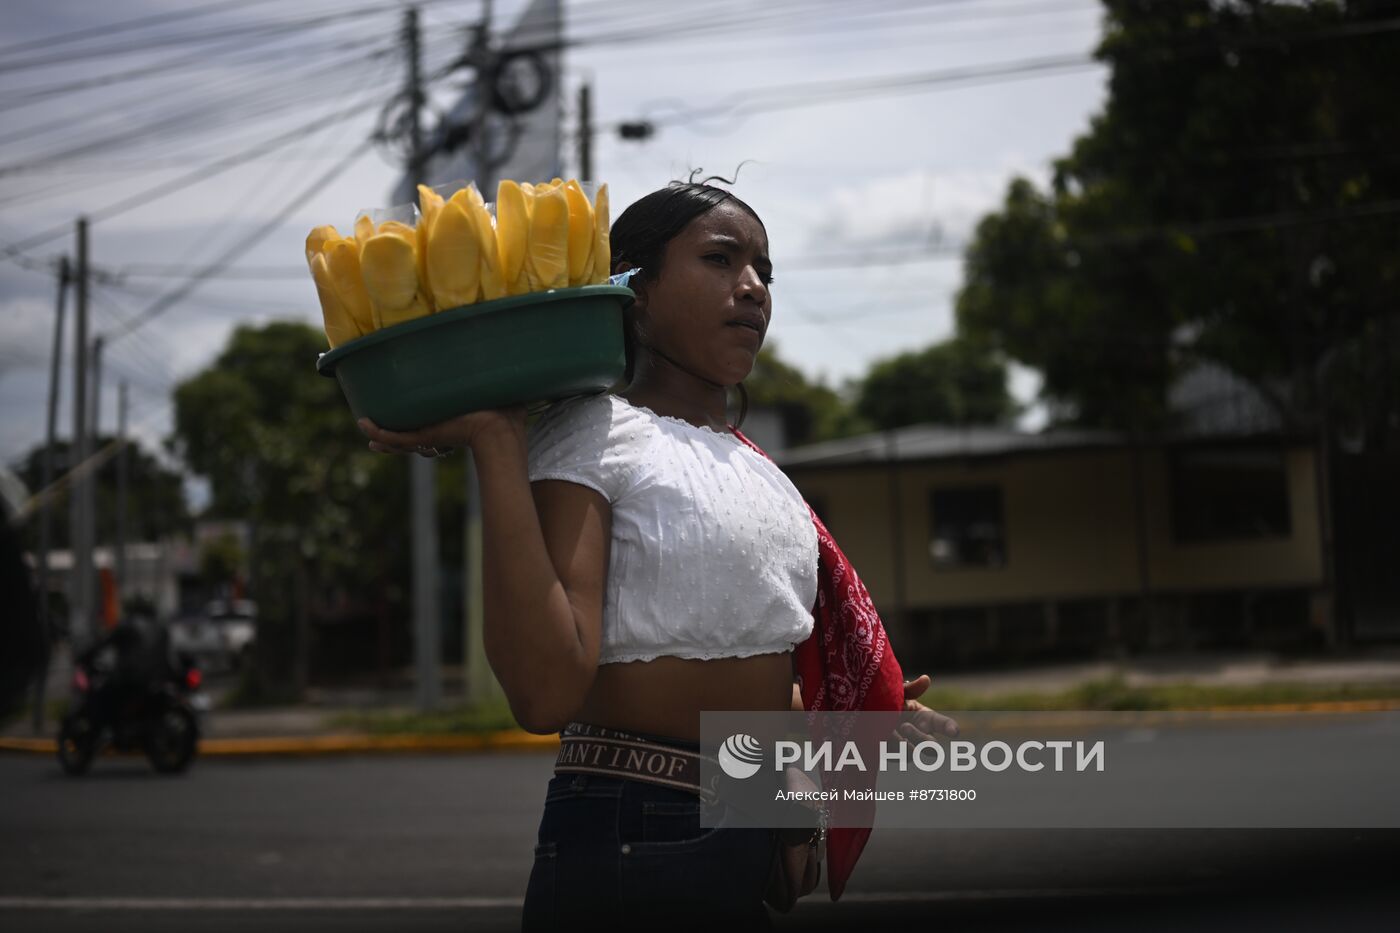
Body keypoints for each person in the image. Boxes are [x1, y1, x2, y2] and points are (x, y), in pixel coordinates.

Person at [358, 177, 957, 930]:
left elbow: (708, 658)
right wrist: (496, 442)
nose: (752, 287)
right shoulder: (589, 435)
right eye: (720, 259)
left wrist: (839, 718)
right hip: (638, 830)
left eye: (763, 271)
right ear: (634, 292)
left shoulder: (760, 471)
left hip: (745, 822)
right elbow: (544, 693)